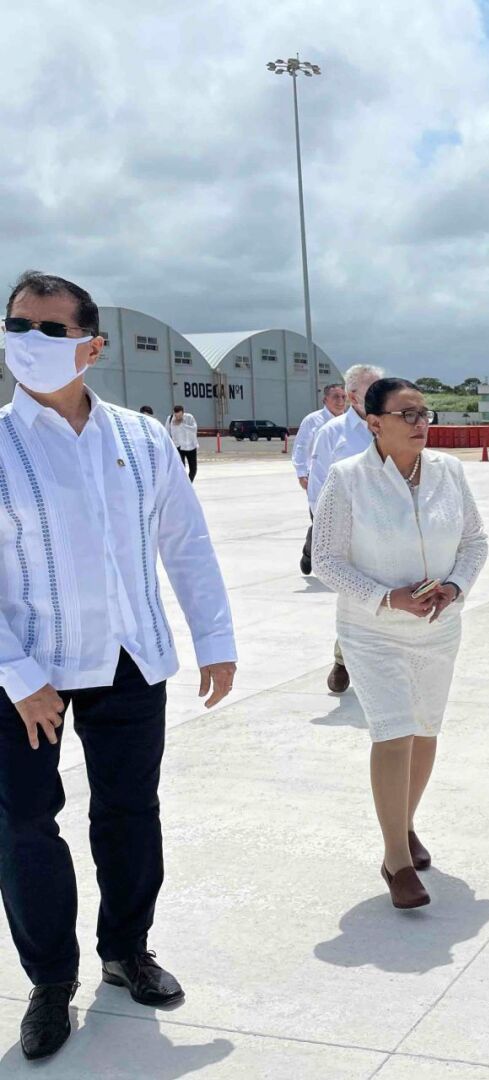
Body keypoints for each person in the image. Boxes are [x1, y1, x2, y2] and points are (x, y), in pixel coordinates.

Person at [0, 271, 237, 1061]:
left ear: (92, 347)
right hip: (27, 673)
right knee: (28, 824)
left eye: (48, 330)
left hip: (132, 658)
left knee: (131, 812)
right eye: (16, 326)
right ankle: (49, 983)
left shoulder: (140, 438)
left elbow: (185, 542)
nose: (26, 342)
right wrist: (19, 674)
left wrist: (214, 638)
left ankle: (125, 949)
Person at [313, 378, 488, 910]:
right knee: (394, 732)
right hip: (373, 631)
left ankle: (403, 824)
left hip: (439, 627)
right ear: (374, 423)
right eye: (406, 414)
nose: (420, 423)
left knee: (427, 731)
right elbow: (327, 561)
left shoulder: (449, 473)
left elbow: (475, 541)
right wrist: (387, 598)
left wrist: (455, 587)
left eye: (424, 413)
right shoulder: (347, 480)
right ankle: (396, 859)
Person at [308, 364, 385, 693]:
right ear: (353, 395)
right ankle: (343, 660)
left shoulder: (391, 426)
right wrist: (324, 533)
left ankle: (382, 663)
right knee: (356, 598)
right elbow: (317, 486)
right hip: (351, 533)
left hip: (391, 531)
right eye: (372, 390)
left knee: (389, 598)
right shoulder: (333, 434)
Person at [293, 382, 347, 576]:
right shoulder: (313, 421)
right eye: (336, 397)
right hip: (318, 479)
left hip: (343, 481)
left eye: (343, 397)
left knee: (340, 526)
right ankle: (309, 554)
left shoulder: (351, 422)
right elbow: (300, 447)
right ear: (325, 400)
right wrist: (301, 473)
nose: (340, 401)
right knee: (321, 523)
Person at [166, 404, 199, 482]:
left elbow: (194, 429)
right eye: (176, 415)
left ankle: (189, 484)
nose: (177, 417)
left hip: (190, 446)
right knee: (181, 468)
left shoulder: (189, 417)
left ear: (183, 413)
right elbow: (167, 432)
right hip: (178, 447)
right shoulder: (170, 419)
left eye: (179, 415)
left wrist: (182, 425)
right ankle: (183, 486)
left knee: (193, 469)